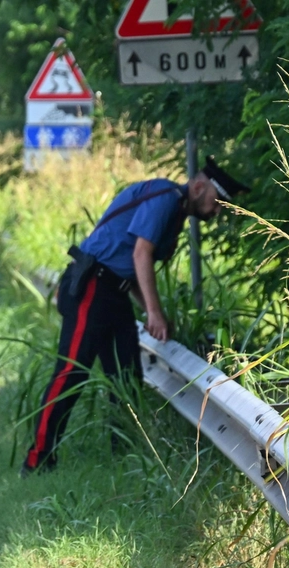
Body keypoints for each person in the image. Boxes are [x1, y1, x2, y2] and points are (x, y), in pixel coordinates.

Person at [21, 157, 248, 473]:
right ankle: (37, 461)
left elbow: (132, 267)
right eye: (217, 201)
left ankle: (122, 461)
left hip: (115, 291)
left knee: (126, 377)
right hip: (93, 288)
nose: (217, 210)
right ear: (198, 187)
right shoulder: (166, 198)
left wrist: (152, 311)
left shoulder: (176, 207)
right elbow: (140, 254)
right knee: (71, 373)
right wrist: (153, 312)